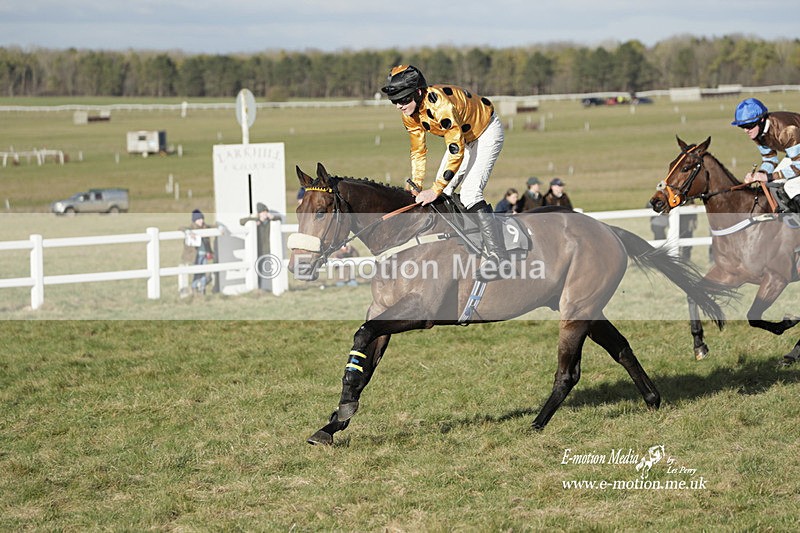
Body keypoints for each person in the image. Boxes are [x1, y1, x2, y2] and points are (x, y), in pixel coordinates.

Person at [380, 64, 506, 280]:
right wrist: (417, 184)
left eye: (403, 99)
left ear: (418, 92)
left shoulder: (441, 106)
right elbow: (418, 150)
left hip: (485, 133)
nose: (399, 105)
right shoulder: (409, 113)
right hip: (463, 140)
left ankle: (498, 256)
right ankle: (465, 244)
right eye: (395, 101)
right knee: (444, 193)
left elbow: (456, 151)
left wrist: (435, 189)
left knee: (470, 193)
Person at [731, 97, 800, 213]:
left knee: (791, 186)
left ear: (761, 120)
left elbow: (798, 167)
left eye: (749, 126)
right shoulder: (758, 132)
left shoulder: (787, 131)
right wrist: (759, 174)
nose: (746, 130)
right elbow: (770, 159)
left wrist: (768, 177)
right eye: (742, 127)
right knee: (774, 183)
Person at [240, 202, 282, 291]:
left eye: (266, 211)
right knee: (256, 269)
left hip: (267, 249)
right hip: (256, 249)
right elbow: (241, 221)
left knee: (267, 269)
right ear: (259, 213)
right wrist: (255, 220)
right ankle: (257, 287)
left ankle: (268, 287)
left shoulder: (270, 221)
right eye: (263, 212)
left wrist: (273, 217)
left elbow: (279, 219)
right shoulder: (256, 221)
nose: (265, 214)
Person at [181, 209, 217, 296]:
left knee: (203, 271)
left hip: (204, 254)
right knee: (197, 272)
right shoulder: (192, 228)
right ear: (194, 221)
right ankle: (194, 287)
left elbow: (213, 226)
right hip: (196, 255)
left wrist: (220, 227)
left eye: (202, 219)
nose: (201, 221)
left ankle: (202, 288)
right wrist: (188, 232)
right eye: (199, 220)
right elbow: (182, 228)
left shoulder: (205, 227)